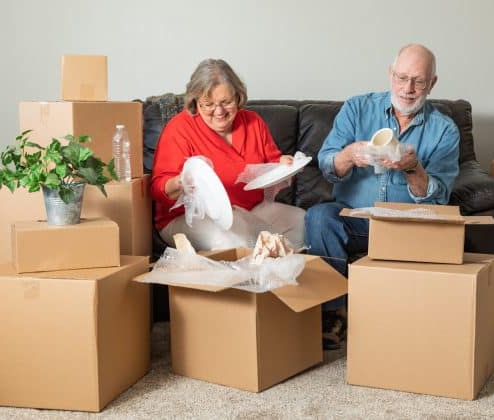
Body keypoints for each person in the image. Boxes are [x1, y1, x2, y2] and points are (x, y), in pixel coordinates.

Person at [305, 44, 460, 349]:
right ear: (390, 74)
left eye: (418, 80)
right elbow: (326, 164)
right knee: (319, 216)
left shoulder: (445, 130)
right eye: (401, 77)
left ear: (433, 83)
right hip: (355, 219)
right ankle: (334, 312)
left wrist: (413, 168)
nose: (408, 88)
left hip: (407, 225)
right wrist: (349, 155)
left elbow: (438, 200)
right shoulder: (357, 108)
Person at [151, 58, 306, 251]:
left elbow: (271, 161)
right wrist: (181, 182)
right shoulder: (179, 128)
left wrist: (284, 163)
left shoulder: (253, 122)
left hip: (250, 210)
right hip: (191, 217)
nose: (219, 111)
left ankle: (283, 277)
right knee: (232, 243)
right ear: (195, 101)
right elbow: (158, 188)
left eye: (226, 102)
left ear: (238, 97)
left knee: (305, 223)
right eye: (208, 104)